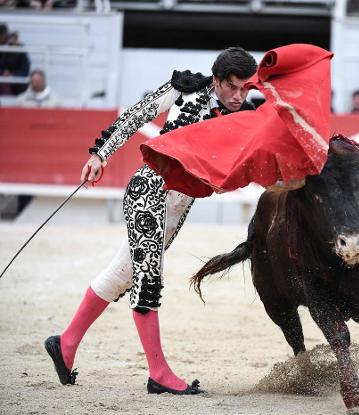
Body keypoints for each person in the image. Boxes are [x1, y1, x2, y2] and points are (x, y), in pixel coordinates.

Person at [44, 47, 258, 395]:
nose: (238, 95)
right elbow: (135, 116)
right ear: (217, 80)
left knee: (120, 275)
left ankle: (65, 344)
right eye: (232, 87)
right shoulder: (185, 88)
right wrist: (100, 155)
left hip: (177, 209)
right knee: (148, 278)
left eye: (245, 88)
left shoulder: (245, 116)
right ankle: (158, 373)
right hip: (150, 191)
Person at [0, 23, 30, 96]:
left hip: (15, 81)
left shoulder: (18, 48)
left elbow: (25, 69)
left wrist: (12, 75)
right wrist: (3, 73)